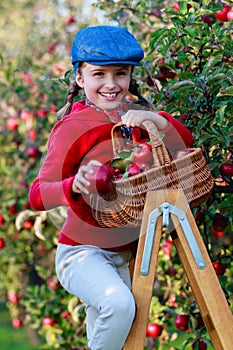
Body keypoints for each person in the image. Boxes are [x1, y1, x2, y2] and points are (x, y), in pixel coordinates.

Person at [29, 26, 194, 350]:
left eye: (120, 74)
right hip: (81, 252)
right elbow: (37, 193)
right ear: (79, 78)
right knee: (118, 306)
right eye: (98, 74)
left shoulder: (133, 118)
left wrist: (157, 121)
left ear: (130, 76)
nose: (110, 84)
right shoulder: (72, 126)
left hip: (124, 252)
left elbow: (184, 145)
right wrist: (73, 184)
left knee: (114, 333)